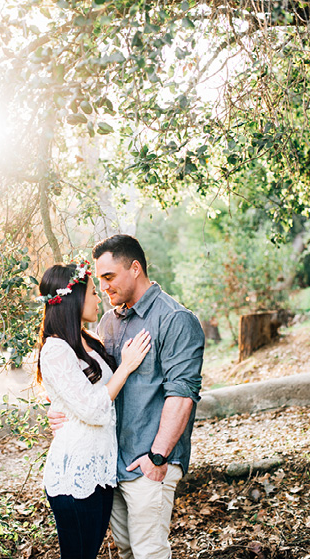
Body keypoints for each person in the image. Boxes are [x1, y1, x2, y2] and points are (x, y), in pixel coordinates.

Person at [48, 235, 204, 558]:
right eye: (99, 280)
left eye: (108, 277)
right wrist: (60, 410)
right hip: (111, 468)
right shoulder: (108, 322)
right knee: (128, 551)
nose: (103, 287)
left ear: (135, 268)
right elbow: (86, 386)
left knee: (150, 552)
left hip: (149, 463)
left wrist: (158, 457)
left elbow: (183, 395)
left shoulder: (175, 319)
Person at [36, 261, 151, 559]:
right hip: (74, 473)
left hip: (101, 469)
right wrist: (126, 367)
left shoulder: (87, 341)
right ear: (73, 299)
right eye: (92, 294)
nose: (99, 298)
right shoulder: (55, 350)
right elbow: (93, 409)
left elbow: (82, 399)